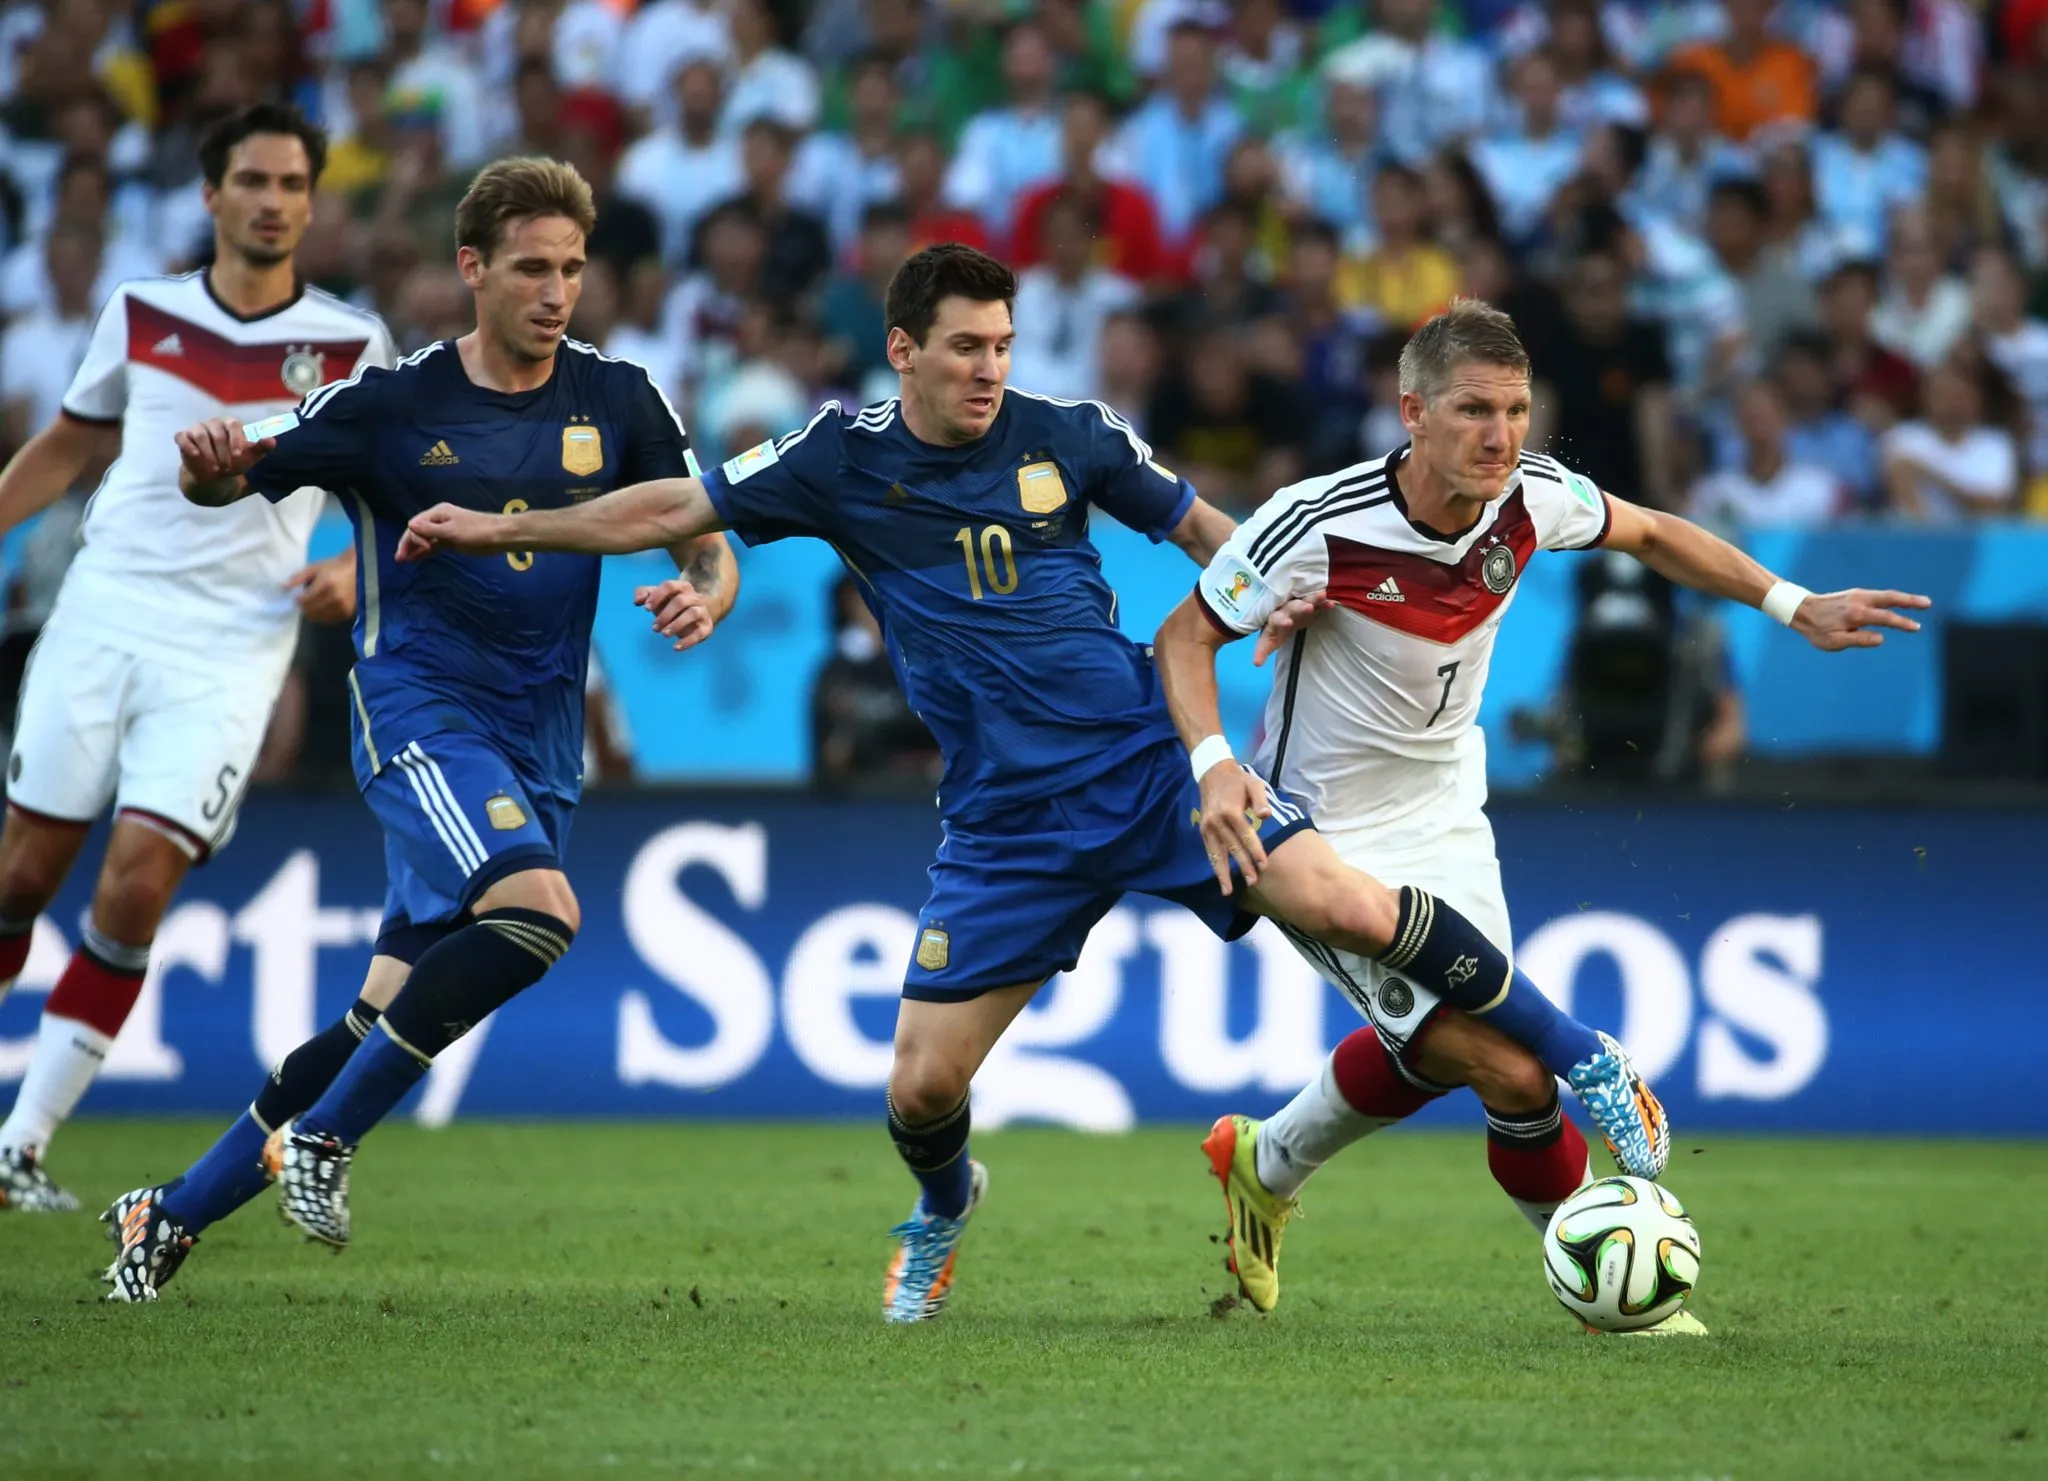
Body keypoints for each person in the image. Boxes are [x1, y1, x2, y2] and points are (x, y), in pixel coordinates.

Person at [398, 245, 1672, 1325]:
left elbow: (1205, 535)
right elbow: (674, 503)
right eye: (962, 348)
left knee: (1343, 902)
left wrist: (1283, 599)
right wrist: (503, 525)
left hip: (1143, 764)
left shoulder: (1070, 436)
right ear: (901, 350)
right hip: (1006, 822)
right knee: (919, 1088)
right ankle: (947, 1205)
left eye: (1001, 344)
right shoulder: (838, 461)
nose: (988, 367)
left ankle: (1580, 1056)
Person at [1152, 298, 1928, 1322]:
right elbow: (1182, 636)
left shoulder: (1531, 499)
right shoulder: (1317, 520)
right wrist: (1212, 761)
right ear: (1410, 412)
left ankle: (1266, 1156)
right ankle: (1625, 1284)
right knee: (1510, 1065)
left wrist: (1791, 603)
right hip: (1319, 828)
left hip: (1445, 807)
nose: (1498, 434)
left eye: (1514, 410)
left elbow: (1650, 532)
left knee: (1439, 1054)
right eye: (1473, 410)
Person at [97, 156, 737, 1301]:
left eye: (573, 269)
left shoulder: (621, 396)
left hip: (538, 739)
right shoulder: (392, 405)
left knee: (382, 1008)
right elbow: (238, 476)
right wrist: (207, 470)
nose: (555, 291)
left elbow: (701, 530)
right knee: (540, 915)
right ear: (471, 268)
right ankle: (325, 1140)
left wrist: (708, 586)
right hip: (420, 711)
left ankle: (169, 1212)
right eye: (532, 268)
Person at [0, 104, 393, 1214]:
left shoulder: (355, 343)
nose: (273, 201)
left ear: (311, 203)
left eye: (291, 184)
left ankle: (19, 1146)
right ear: (212, 196)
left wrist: (357, 575)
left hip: (234, 638)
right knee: (21, 877)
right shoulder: (141, 312)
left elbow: (399, 491)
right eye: (253, 181)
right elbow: (69, 444)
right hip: (105, 609)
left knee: (134, 886)